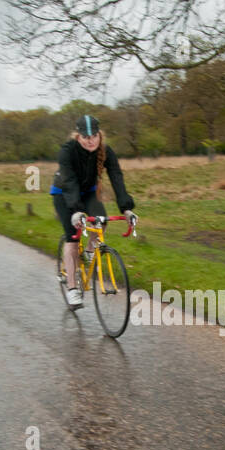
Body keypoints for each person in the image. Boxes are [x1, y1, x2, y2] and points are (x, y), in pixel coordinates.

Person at [52, 114, 137, 309]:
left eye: (94, 136)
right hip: (64, 194)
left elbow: (116, 176)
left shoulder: (106, 151)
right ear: (78, 136)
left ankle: (90, 252)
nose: (90, 141)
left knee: (101, 221)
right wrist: (76, 211)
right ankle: (73, 289)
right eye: (85, 137)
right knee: (73, 238)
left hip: (88, 193)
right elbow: (70, 182)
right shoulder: (67, 151)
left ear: (99, 135)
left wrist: (126, 208)